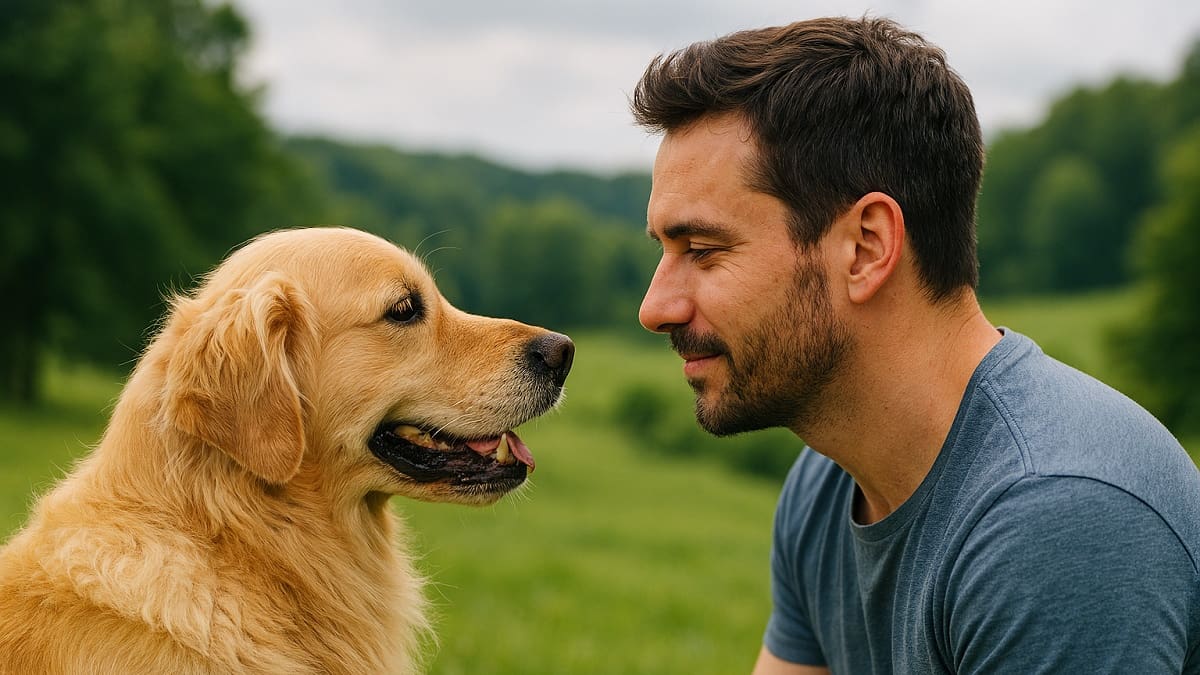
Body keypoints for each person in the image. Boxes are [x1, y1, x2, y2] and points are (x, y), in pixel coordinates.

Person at [630, 16, 1200, 674]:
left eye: (703, 249)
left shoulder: (1056, 518)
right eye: (665, 251)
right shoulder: (827, 485)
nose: (654, 308)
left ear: (866, 248)